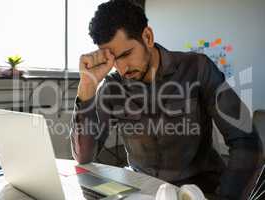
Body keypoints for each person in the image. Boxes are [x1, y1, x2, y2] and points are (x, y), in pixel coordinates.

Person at [70, 0, 263, 199]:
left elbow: (246, 142)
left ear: (147, 36)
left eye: (127, 54)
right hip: (142, 191)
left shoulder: (197, 68)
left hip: (200, 191)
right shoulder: (113, 86)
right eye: (113, 59)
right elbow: (84, 156)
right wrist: (87, 86)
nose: (122, 68)